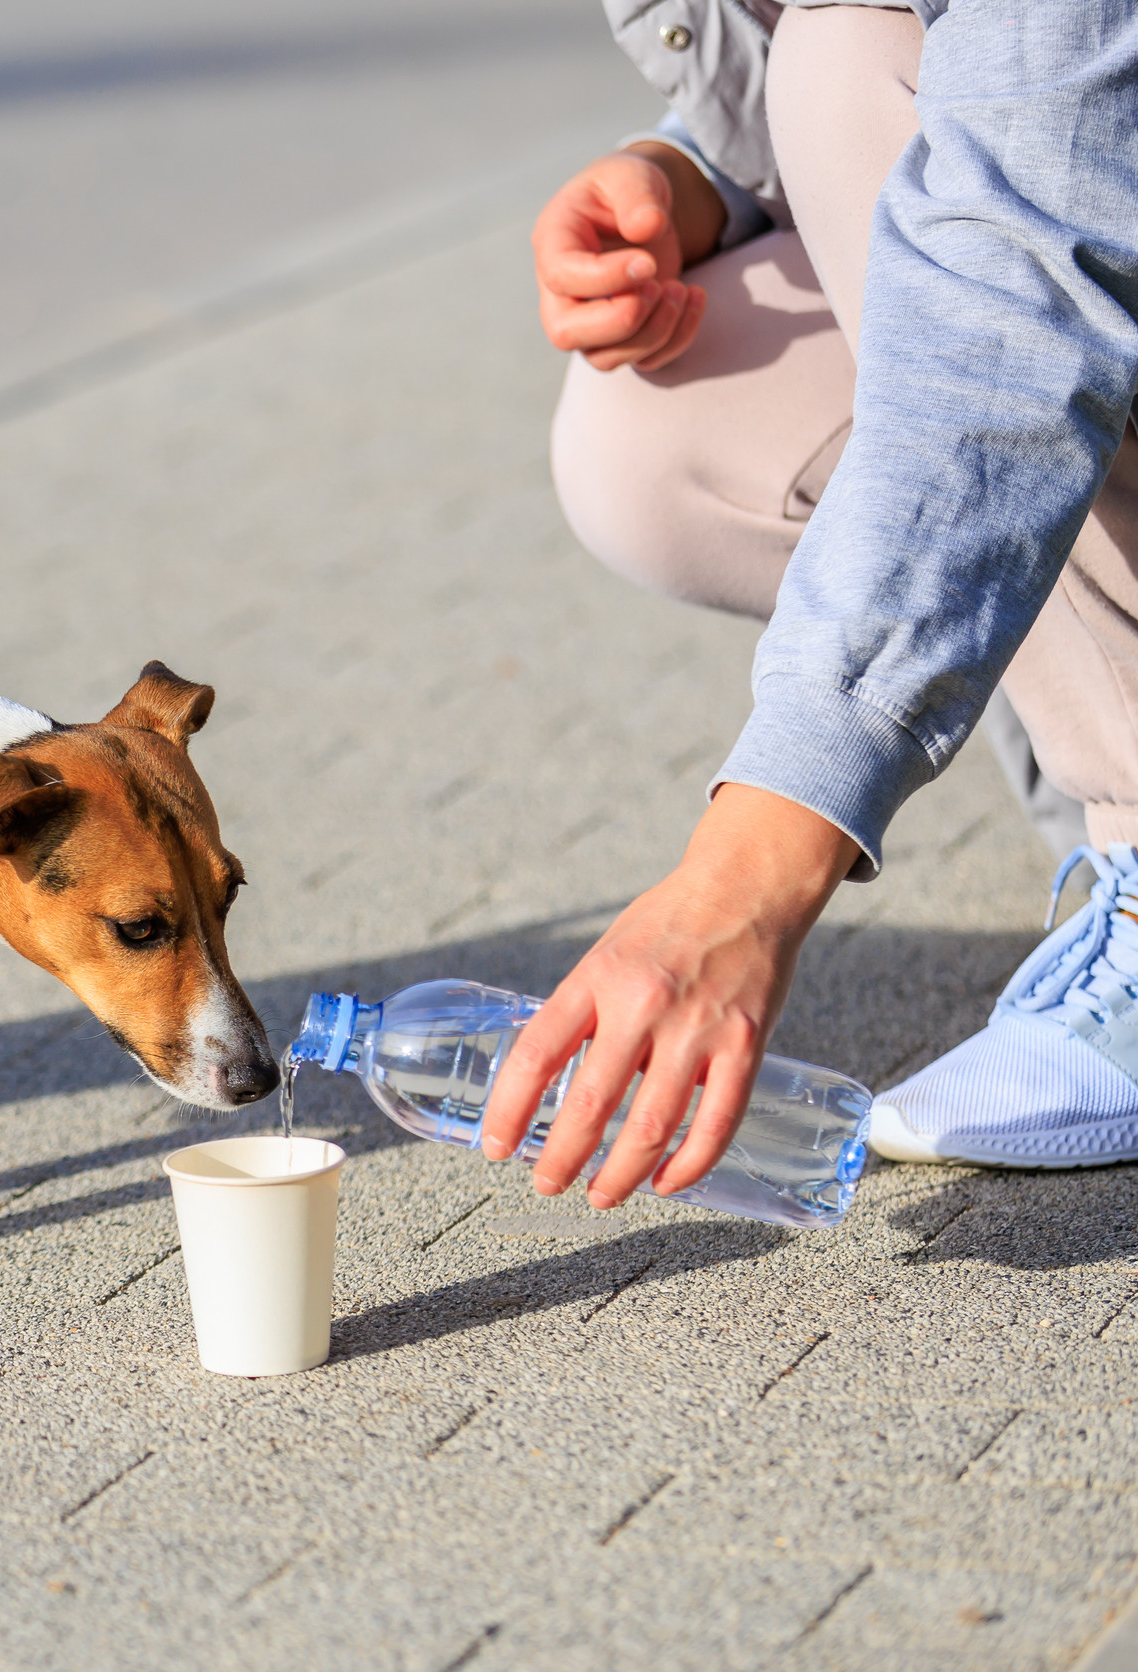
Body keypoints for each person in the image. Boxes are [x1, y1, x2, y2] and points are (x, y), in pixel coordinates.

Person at [481, 1, 1138, 1199]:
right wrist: (693, 175)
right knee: (651, 439)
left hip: (1038, 258)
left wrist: (755, 864)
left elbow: (1024, 277)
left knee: (843, 70)